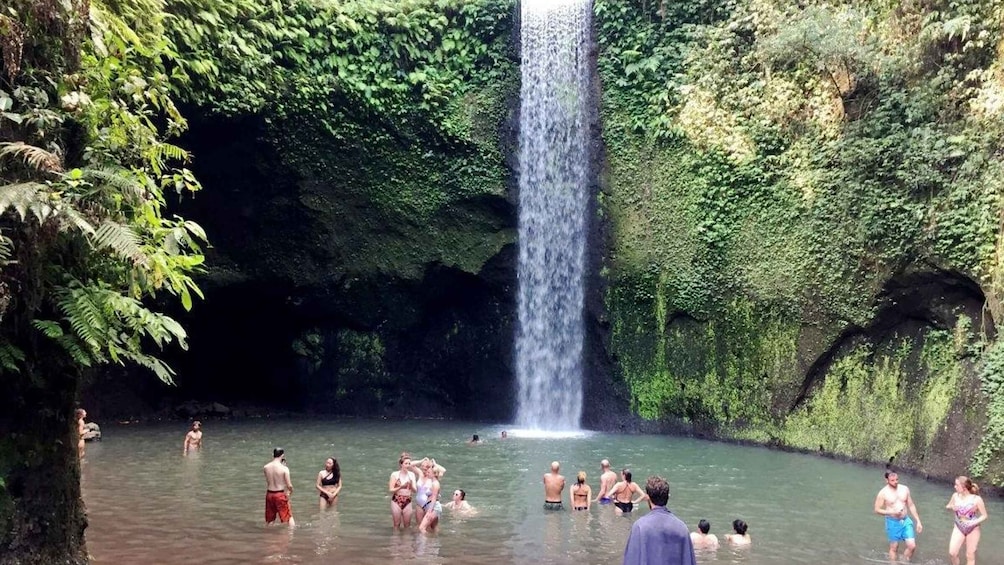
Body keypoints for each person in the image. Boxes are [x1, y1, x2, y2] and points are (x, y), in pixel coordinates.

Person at [622, 476, 696, 565]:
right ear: (668, 497)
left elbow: (631, 560)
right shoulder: (682, 528)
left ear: (648, 497)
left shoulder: (640, 527)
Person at [874, 470, 923, 561]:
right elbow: (877, 509)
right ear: (886, 480)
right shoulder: (883, 493)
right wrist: (892, 512)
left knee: (912, 546)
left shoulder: (904, 489)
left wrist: (918, 521)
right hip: (892, 521)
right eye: (892, 480)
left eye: (897, 479)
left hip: (905, 520)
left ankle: (904, 561)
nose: (895, 482)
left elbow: (911, 505)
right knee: (894, 547)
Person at [946, 475, 988, 565]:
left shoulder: (976, 499)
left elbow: (984, 515)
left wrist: (973, 522)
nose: (954, 486)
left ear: (964, 487)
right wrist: (952, 507)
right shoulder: (955, 496)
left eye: (957, 485)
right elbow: (948, 506)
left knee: (970, 554)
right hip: (958, 526)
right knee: (952, 552)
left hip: (973, 528)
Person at [264, 448, 294, 527]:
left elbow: (268, 481)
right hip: (279, 494)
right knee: (289, 516)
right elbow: (289, 485)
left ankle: (268, 535)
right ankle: (291, 535)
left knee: (270, 519)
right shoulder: (284, 468)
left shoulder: (266, 467)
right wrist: (290, 491)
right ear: (282, 455)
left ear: (272, 455)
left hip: (269, 494)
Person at [388, 454, 417, 528]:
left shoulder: (412, 475)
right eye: (406, 463)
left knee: (407, 525)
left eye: (409, 463)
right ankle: (396, 539)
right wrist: (401, 487)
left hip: (407, 500)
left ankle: (406, 539)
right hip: (396, 499)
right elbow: (391, 490)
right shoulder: (395, 474)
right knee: (396, 524)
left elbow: (415, 491)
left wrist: (410, 486)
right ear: (401, 464)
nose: (408, 465)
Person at [418, 464, 443, 533]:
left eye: (429, 472)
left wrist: (429, 511)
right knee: (434, 528)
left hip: (434, 508)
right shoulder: (434, 482)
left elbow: (434, 498)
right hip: (432, 507)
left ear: (434, 474)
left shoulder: (435, 484)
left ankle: (426, 542)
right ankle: (434, 542)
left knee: (422, 528)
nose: (427, 473)